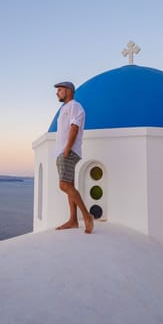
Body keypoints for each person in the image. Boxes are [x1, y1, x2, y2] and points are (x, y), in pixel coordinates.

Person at [54, 81, 94, 234]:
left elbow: (74, 128)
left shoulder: (74, 106)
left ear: (69, 90)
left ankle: (86, 216)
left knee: (63, 185)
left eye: (60, 90)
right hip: (63, 151)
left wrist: (67, 149)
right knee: (69, 184)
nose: (57, 93)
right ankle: (73, 220)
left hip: (68, 151)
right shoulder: (65, 108)